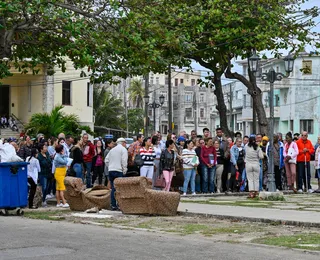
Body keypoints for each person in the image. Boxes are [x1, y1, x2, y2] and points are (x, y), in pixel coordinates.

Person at [105, 138, 128, 210]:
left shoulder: (112, 150)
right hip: (119, 170)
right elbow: (124, 161)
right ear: (123, 143)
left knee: (113, 188)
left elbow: (106, 160)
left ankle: (113, 204)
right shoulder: (123, 150)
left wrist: (110, 166)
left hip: (111, 170)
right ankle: (119, 204)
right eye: (125, 143)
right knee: (119, 188)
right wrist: (124, 170)